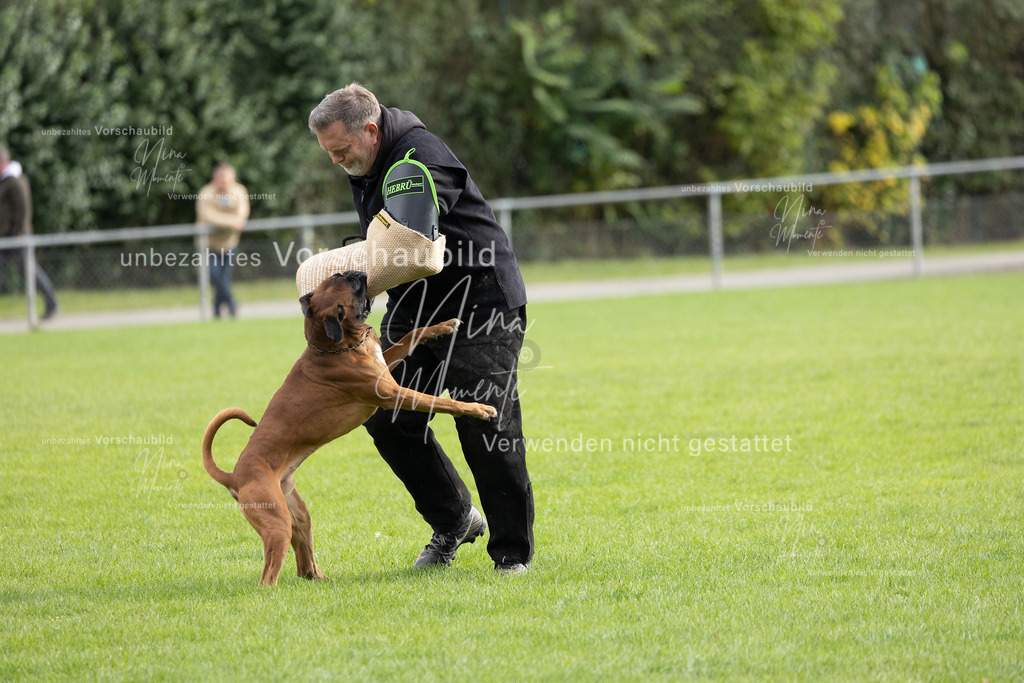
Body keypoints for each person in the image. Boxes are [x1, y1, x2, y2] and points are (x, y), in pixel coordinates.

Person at [308, 83, 534, 575]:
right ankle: (455, 521)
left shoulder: (420, 158)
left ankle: (511, 555)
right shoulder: (367, 164)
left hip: (480, 304)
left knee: (485, 424)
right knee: (385, 416)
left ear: (371, 130)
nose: (336, 161)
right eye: (329, 152)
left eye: (341, 150)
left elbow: (412, 242)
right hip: (416, 308)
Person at [0, 146, 58, 320]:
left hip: (17, 236)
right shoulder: (7, 180)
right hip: (6, 236)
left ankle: (52, 304)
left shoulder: (14, 180)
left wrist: (18, 231)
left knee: (30, 271)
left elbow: (22, 208)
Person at [196, 163, 249, 318]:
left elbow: (242, 213)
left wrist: (234, 220)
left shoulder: (239, 191)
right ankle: (231, 303)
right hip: (208, 244)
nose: (223, 182)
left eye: (226, 179)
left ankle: (217, 310)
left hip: (230, 243)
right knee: (215, 277)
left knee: (224, 279)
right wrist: (232, 222)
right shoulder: (205, 193)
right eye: (220, 178)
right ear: (214, 178)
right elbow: (208, 216)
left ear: (233, 178)